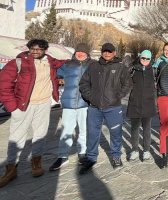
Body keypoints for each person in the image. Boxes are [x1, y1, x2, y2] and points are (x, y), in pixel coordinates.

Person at [0, 39, 65, 187]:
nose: (35, 51)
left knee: (40, 134)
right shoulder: (18, 62)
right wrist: (12, 107)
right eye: (33, 48)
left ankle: (36, 163)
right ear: (29, 49)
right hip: (23, 105)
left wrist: (81, 57)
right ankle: (11, 169)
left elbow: (65, 63)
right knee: (17, 137)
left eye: (39, 49)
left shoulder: (50, 61)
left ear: (45, 50)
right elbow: (3, 85)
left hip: (43, 103)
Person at [78, 42, 132, 174]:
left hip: (113, 107)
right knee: (93, 133)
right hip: (94, 107)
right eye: (104, 51)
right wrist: (91, 97)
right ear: (102, 52)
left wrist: (117, 96)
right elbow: (84, 83)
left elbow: (127, 84)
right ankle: (91, 158)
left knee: (116, 133)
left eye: (109, 51)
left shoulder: (121, 68)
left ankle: (116, 156)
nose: (107, 53)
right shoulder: (93, 66)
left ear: (114, 53)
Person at [49, 43, 94, 171]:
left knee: (83, 130)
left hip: (85, 103)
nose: (80, 54)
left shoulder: (92, 65)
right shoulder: (67, 65)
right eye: (78, 52)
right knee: (66, 130)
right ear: (75, 53)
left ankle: (82, 153)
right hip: (69, 103)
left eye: (83, 52)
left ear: (87, 54)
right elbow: (53, 71)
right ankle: (62, 156)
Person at [126, 50, 157, 162]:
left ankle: (146, 150)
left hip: (148, 103)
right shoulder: (133, 69)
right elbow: (124, 81)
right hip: (135, 103)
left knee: (147, 129)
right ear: (139, 58)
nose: (145, 60)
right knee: (134, 128)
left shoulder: (153, 70)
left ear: (150, 59)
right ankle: (134, 150)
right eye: (143, 58)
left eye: (147, 59)